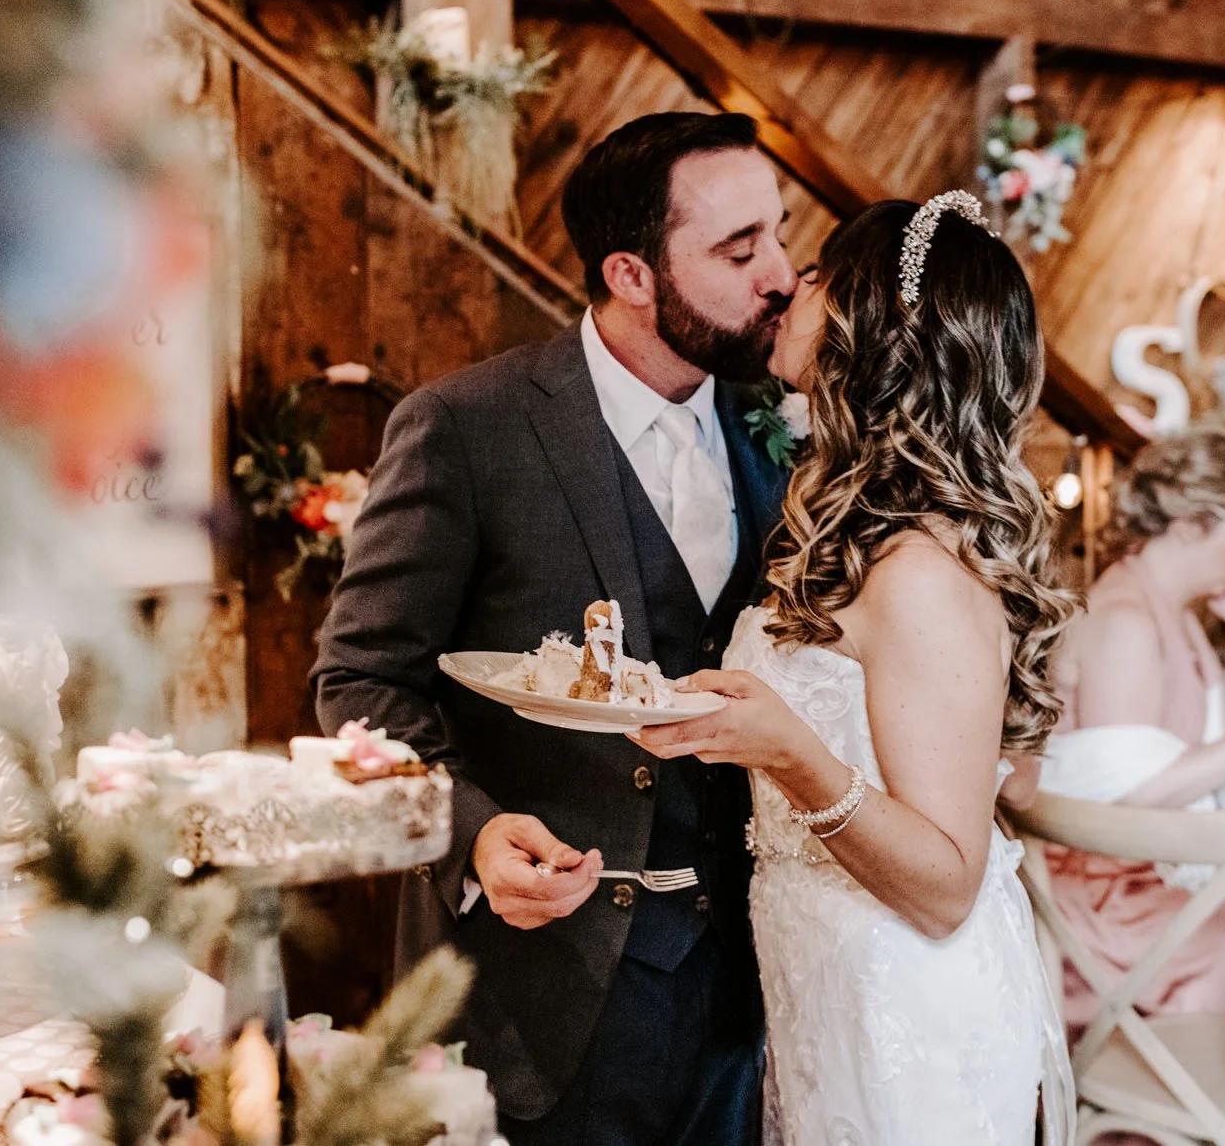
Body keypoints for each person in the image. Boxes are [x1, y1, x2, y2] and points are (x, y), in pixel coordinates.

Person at [311, 110, 796, 1146]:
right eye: (738, 248)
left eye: (780, 233)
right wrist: (473, 834)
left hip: (739, 994)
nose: (781, 274)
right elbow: (360, 682)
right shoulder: (467, 428)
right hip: (537, 994)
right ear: (629, 273)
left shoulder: (781, 434)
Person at [635, 192, 1074, 1143]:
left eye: (824, 273)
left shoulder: (920, 570)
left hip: (906, 1007)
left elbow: (949, 883)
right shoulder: (850, 525)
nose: (793, 283)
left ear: (876, 326)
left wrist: (790, 753)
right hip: (826, 984)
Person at [1040, 430, 1225, 1035]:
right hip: (1105, 897)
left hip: (1150, 870)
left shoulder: (1167, 604)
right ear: (1188, 527)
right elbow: (1127, 801)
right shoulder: (1125, 621)